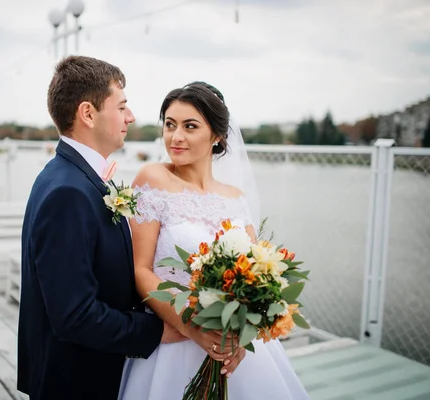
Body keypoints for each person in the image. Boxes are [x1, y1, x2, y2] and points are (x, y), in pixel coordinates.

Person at [17, 57, 244, 400]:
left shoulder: (78, 179)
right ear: (88, 114)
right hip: (76, 380)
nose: (132, 116)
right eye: (121, 106)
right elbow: (73, 315)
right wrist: (161, 330)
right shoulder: (67, 190)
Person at [119, 82, 311, 399]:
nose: (175, 136)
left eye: (190, 126)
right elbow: (141, 271)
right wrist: (193, 329)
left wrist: (241, 337)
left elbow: (253, 277)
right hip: (174, 340)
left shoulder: (236, 199)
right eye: (170, 125)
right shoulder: (152, 180)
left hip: (230, 347)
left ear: (217, 135)